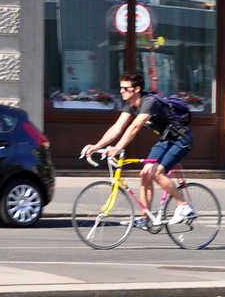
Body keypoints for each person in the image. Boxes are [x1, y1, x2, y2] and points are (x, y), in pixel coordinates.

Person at [81, 71, 193, 226]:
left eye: (125, 88)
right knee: (145, 173)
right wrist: (98, 146)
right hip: (166, 139)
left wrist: (118, 147)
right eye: (121, 88)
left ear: (137, 89)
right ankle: (145, 218)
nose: (121, 91)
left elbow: (135, 127)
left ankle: (184, 206)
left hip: (181, 140)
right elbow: (117, 127)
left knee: (156, 173)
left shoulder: (149, 102)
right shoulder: (130, 104)